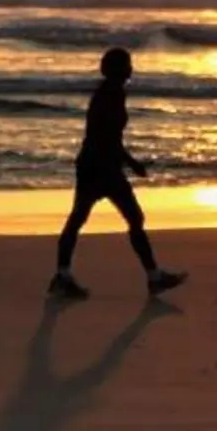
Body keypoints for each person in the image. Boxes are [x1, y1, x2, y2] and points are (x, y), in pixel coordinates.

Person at [48, 46, 184, 300]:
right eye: (127, 64)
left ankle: (63, 275)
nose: (132, 68)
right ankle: (153, 277)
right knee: (129, 218)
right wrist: (131, 163)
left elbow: (108, 137)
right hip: (101, 168)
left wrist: (128, 163)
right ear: (118, 69)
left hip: (98, 165)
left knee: (82, 219)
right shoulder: (110, 95)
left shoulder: (110, 92)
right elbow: (105, 136)